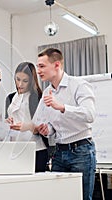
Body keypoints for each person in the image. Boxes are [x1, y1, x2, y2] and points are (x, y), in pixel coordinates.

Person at [33, 48, 96, 200]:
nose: (38, 71)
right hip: (59, 153)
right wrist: (46, 130)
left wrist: (62, 107)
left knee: (82, 197)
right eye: (38, 66)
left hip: (80, 151)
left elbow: (89, 114)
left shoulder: (79, 85)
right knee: (58, 196)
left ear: (56, 65)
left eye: (42, 66)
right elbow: (51, 126)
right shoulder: (47, 93)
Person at [5, 62, 48, 172]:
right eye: (17, 79)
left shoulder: (38, 97)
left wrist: (28, 126)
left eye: (25, 81)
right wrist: (7, 122)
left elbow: (45, 126)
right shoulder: (10, 98)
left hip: (36, 150)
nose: (20, 84)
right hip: (14, 149)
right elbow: (7, 120)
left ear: (31, 81)